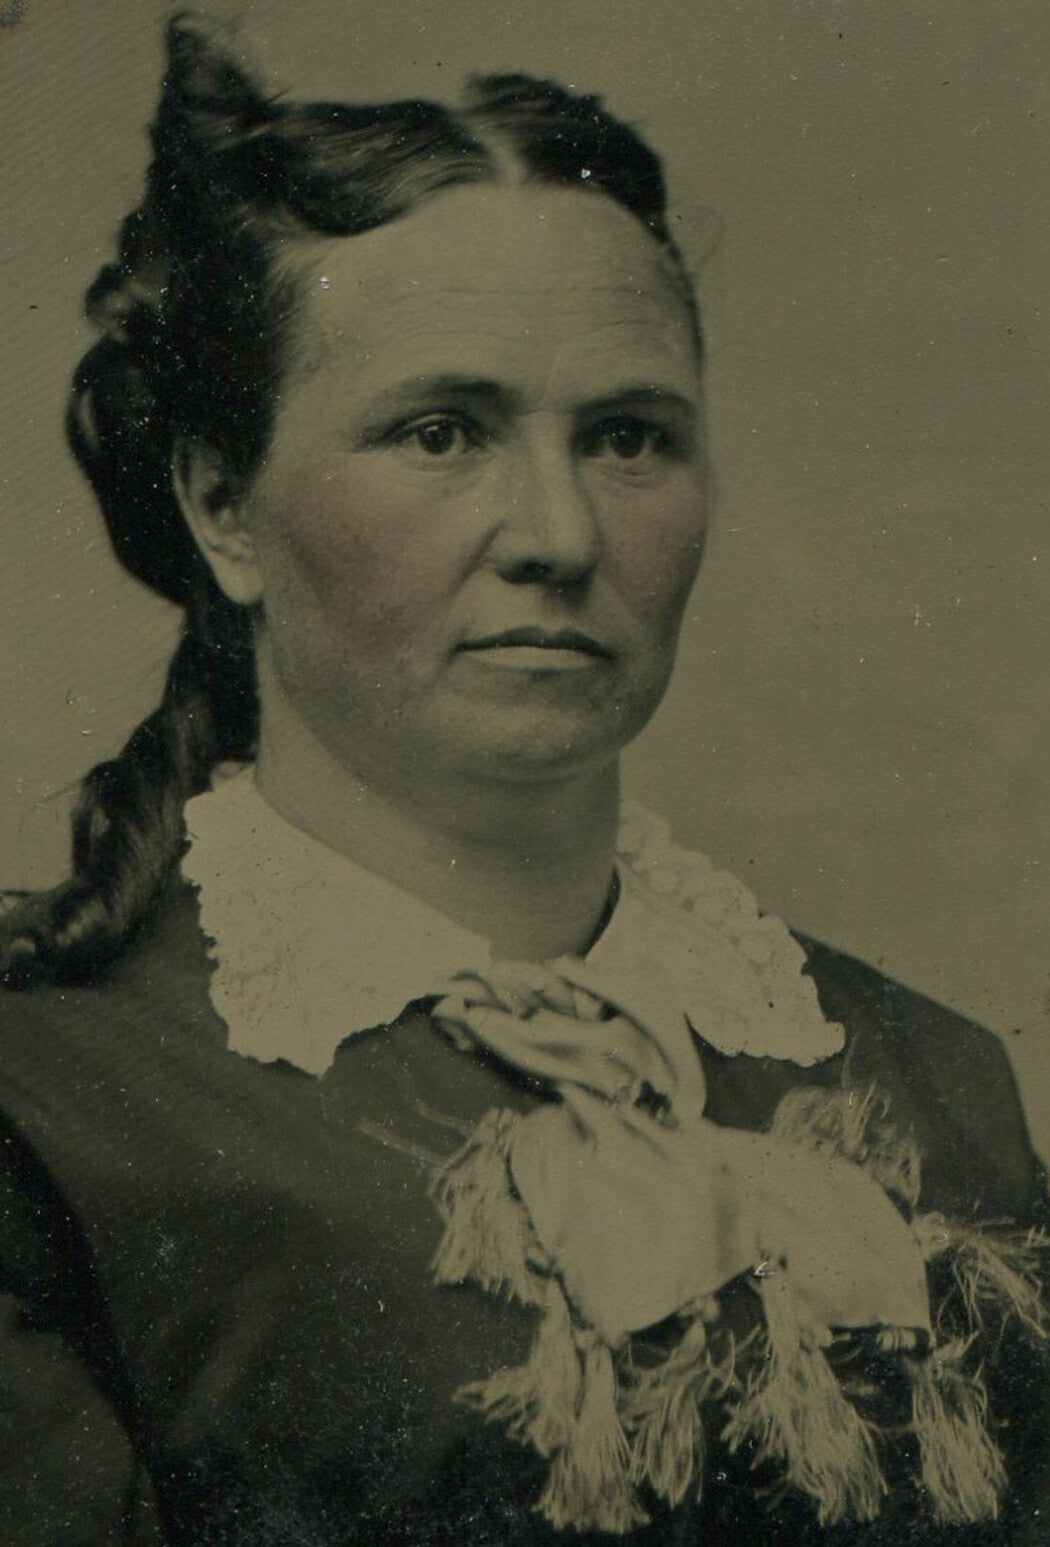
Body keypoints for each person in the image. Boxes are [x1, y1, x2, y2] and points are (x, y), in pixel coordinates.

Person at [0, 13, 1047, 1545]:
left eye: (629, 438)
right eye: (441, 432)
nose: (558, 533)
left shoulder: (937, 1086)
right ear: (222, 506)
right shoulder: (52, 1107)